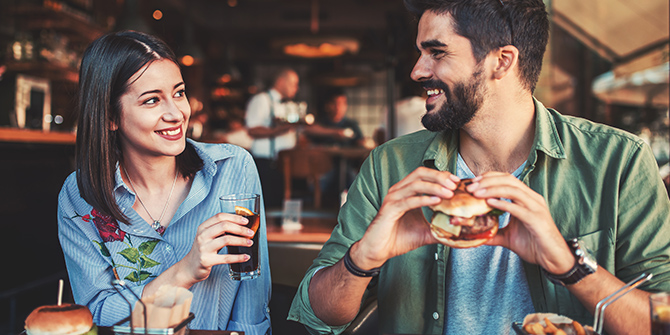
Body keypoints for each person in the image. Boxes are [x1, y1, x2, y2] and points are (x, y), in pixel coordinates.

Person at [288, 1, 670, 334]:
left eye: (436, 52)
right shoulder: (389, 166)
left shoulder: (619, 162)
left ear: (501, 61)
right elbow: (318, 315)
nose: (417, 72)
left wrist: (570, 266)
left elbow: (659, 323)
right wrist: (361, 260)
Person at [57, 31, 271, 333]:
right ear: (109, 116)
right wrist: (183, 271)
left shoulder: (233, 168)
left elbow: (252, 303)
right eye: (152, 100)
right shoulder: (79, 197)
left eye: (179, 93)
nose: (176, 113)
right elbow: (97, 314)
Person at [245, 68, 300, 208]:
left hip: (285, 163)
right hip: (267, 162)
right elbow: (252, 130)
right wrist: (278, 131)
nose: (296, 88)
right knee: (267, 206)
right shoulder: (261, 100)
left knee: (281, 204)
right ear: (281, 82)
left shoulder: (288, 104)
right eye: (293, 84)